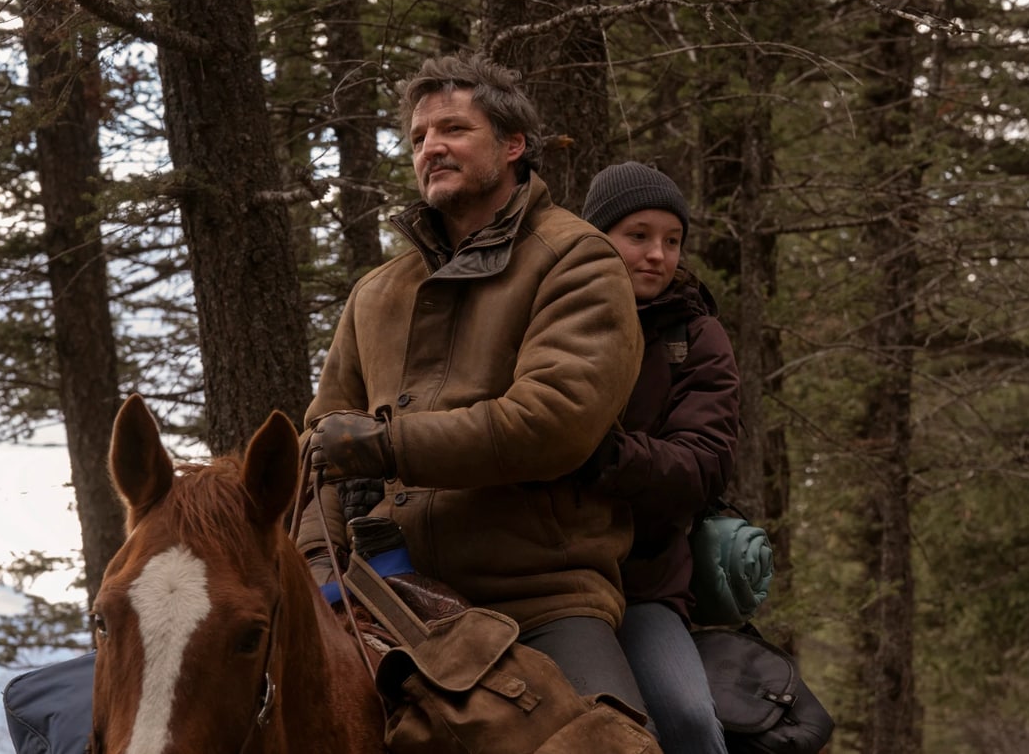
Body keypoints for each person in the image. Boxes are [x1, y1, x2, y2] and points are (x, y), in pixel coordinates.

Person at [295, 52, 652, 719]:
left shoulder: (575, 259)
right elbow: (317, 450)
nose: (432, 147)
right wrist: (318, 563)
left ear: (514, 145)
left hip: (536, 596)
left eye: (454, 129)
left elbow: (554, 420)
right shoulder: (376, 292)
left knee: (611, 743)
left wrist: (389, 444)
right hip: (382, 597)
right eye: (419, 137)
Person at [582, 161, 741, 754]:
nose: (657, 255)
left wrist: (603, 457)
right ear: (597, 237)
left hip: (644, 588)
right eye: (638, 235)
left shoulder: (696, 337)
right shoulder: (552, 318)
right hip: (543, 578)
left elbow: (703, 465)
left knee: (688, 721)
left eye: (672, 241)